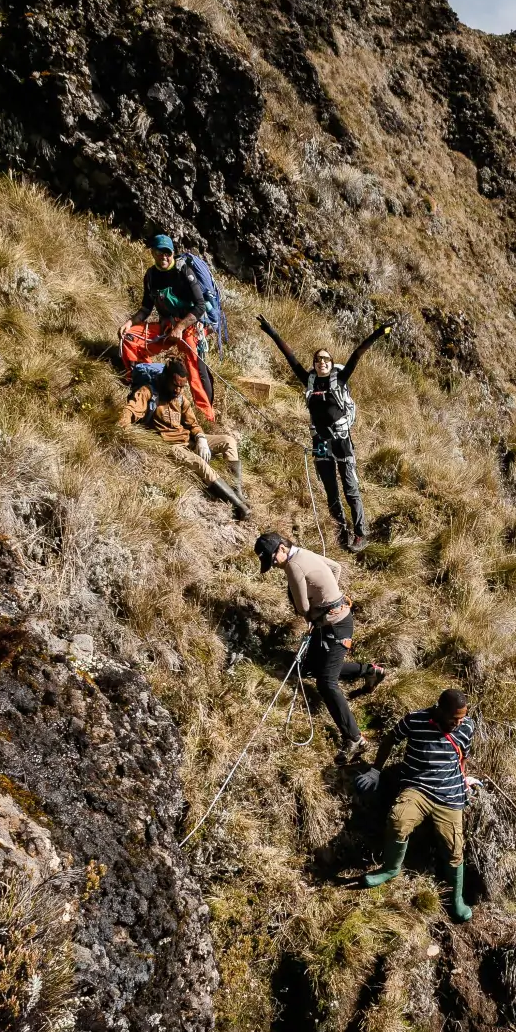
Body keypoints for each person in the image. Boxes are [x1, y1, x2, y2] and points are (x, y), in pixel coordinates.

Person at [258, 315, 390, 553]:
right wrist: (271, 332)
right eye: (318, 359)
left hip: (341, 441)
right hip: (320, 442)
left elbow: (358, 354)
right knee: (330, 490)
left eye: (326, 359)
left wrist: (379, 332)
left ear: (331, 363)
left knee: (350, 488)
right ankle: (341, 532)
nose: (322, 362)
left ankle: (361, 534)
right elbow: (290, 357)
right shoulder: (308, 380)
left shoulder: (340, 378)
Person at [254, 530, 378, 762]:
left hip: (335, 628)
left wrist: (318, 610)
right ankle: (369, 671)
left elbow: (301, 606)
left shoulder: (293, 566)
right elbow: (335, 568)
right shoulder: (304, 554)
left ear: (281, 547)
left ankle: (354, 738)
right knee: (308, 667)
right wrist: (330, 599)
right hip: (334, 622)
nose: (274, 564)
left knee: (326, 683)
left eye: (272, 558)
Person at [360, 688, 476, 921]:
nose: (458, 723)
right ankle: (390, 868)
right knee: (398, 820)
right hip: (417, 788)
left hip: (449, 794)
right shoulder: (415, 719)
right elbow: (391, 739)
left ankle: (456, 899)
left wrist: (464, 779)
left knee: (454, 848)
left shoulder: (467, 726)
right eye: (454, 718)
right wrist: (375, 770)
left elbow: (462, 755)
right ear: (440, 710)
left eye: (462, 718)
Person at [121, 360, 248, 516]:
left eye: (182, 386)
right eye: (175, 385)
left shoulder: (180, 398)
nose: (178, 390)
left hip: (188, 440)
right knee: (200, 464)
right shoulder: (148, 392)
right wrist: (120, 429)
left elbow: (192, 423)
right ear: (165, 378)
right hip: (168, 445)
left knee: (229, 441)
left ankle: (237, 491)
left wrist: (201, 438)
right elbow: (131, 410)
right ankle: (238, 505)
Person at [118, 235, 215, 421]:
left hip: (189, 326)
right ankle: (141, 382)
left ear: (172, 253)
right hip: (166, 326)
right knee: (129, 338)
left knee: (194, 366)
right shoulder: (151, 276)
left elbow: (200, 306)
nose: (163, 256)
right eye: (158, 252)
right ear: (152, 253)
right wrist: (129, 323)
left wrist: (180, 327)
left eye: (167, 252)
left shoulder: (183, 272)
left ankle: (206, 416)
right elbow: (146, 308)